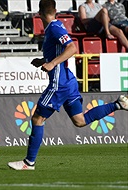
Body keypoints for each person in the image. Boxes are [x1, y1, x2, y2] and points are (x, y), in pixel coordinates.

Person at [8, 0, 128, 170]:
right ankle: (118, 104)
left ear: (39, 14)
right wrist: (44, 60)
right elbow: (61, 50)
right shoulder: (55, 27)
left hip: (60, 83)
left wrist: (51, 64)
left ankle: (29, 162)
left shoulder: (55, 28)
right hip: (68, 81)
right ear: (56, 10)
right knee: (79, 121)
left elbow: (72, 48)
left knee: (37, 118)